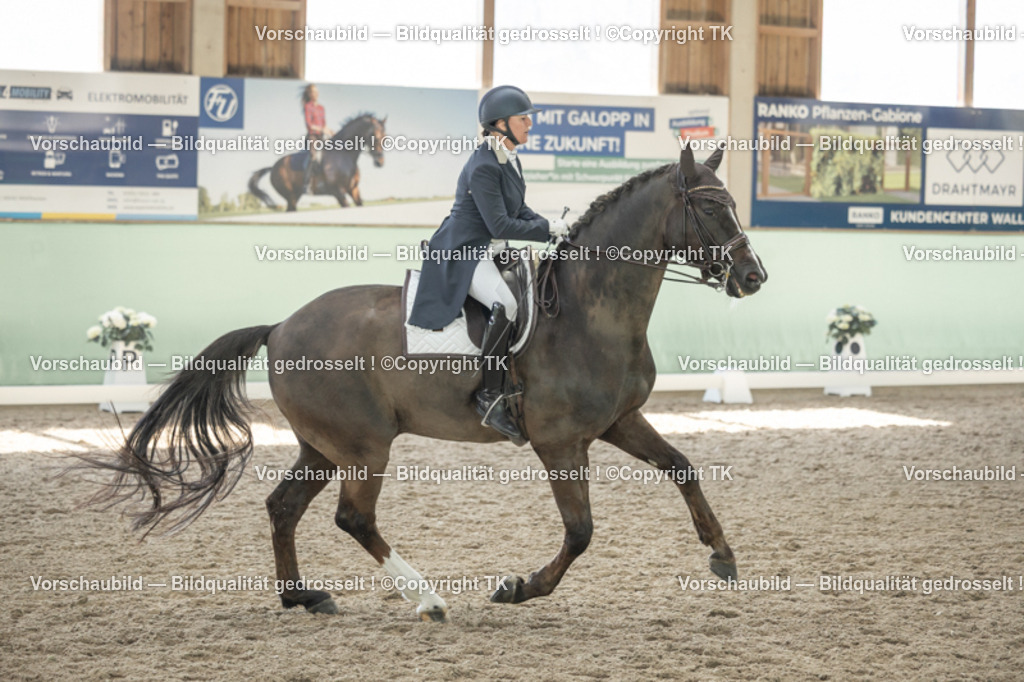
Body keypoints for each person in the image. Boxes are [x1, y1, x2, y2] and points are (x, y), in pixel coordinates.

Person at [407, 85, 570, 442]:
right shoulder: (483, 165)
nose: (530, 124)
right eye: (523, 118)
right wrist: (544, 230)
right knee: (506, 304)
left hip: (490, 248)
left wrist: (549, 223)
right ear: (500, 123)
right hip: (465, 250)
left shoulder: (507, 157)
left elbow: (519, 209)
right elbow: (499, 225)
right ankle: (490, 396)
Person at [301, 84, 332, 193]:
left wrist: (331, 132)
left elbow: (324, 125)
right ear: (309, 94)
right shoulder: (308, 106)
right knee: (313, 156)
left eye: (317, 91)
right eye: (313, 92)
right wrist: (321, 129)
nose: (316, 94)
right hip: (312, 136)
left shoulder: (321, 108)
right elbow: (309, 125)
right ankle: (307, 184)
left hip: (322, 136)